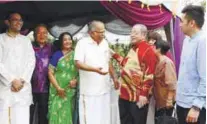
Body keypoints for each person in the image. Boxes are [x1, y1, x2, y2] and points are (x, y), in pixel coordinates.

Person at [74, 20, 119, 124]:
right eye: (101, 32)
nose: (103, 34)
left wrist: (115, 78)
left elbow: (108, 62)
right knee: (90, 119)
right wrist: (95, 70)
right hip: (89, 92)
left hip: (104, 89)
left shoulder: (105, 43)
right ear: (92, 32)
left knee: (103, 119)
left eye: (104, 31)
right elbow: (78, 63)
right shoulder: (82, 43)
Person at [111, 24, 157, 124]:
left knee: (137, 121)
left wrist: (144, 94)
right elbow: (125, 64)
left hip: (137, 96)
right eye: (131, 32)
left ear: (144, 35)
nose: (132, 35)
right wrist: (113, 54)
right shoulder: (133, 48)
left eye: (135, 33)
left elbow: (150, 74)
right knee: (125, 121)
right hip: (124, 94)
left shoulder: (148, 50)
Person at [0, 12, 35, 124]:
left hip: (22, 87)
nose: (18, 22)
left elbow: (31, 61)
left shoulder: (26, 40)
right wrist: (12, 80)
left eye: (20, 20)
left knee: (22, 118)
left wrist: (22, 80)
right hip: (6, 88)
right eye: (15, 19)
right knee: (6, 118)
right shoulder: (1, 39)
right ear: (7, 22)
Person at [177, 5, 206, 124]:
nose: (180, 24)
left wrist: (196, 106)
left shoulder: (203, 42)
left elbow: (205, 77)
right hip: (181, 102)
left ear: (192, 23)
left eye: (182, 21)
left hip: (193, 107)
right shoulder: (187, 40)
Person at [48, 32, 79, 124]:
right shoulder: (56, 55)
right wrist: (58, 88)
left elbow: (80, 72)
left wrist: (76, 80)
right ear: (61, 42)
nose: (68, 41)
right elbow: (50, 72)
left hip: (70, 90)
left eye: (69, 39)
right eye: (65, 40)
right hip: (57, 89)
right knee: (56, 112)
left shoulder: (76, 55)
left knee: (69, 112)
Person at [30, 24, 53, 124]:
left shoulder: (52, 48)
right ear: (35, 35)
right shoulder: (29, 47)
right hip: (29, 86)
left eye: (44, 33)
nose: (42, 35)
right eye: (39, 33)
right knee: (28, 113)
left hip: (46, 87)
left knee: (43, 115)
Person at [153, 40, 177, 117]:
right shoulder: (157, 61)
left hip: (166, 100)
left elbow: (171, 82)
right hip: (159, 99)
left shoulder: (167, 62)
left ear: (158, 49)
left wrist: (169, 100)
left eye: (153, 47)